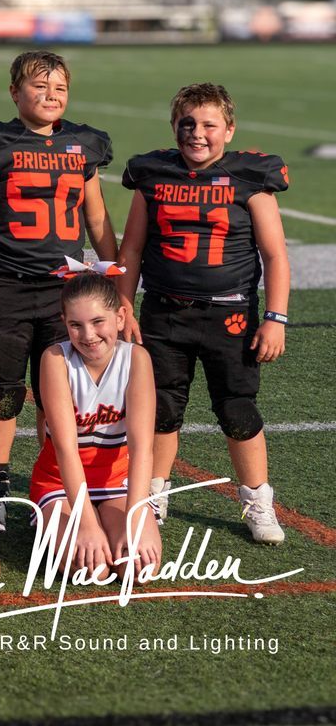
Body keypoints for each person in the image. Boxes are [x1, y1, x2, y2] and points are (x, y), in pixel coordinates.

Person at [116, 83, 291, 543]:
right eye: (187, 124)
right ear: (174, 127)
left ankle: (257, 500)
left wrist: (276, 317)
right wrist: (122, 305)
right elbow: (131, 248)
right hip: (164, 311)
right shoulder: (152, 173)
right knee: (161, 408)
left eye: (209, 125)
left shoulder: (251, 177)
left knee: (237, 409)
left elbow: (274, 255)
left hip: (230, 315)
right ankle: (154, 494)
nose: (197, 134)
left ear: (228, 130)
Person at [0, 51, 116, 528]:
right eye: (39, 87)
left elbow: (97, 218)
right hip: (6, 283)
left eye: (59, 89)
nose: (51, 97)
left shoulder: (82, 145)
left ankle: (50, 480)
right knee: (5, 389)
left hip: (64, 290)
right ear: (14, 91)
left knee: (59, 392)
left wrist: (111, 280)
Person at [30, 274, 161, 577]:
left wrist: (136, 518)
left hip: (117, 482)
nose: (88, 335)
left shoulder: (136, 358)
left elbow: (142, 449)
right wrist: (86, 523)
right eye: (75, 325)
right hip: (60, 485)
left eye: (98, 322)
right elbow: (65, 450)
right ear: (64, 322)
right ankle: (56, 523)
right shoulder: (55, 359)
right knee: (92, 569)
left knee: (141, 568)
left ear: (120, 317)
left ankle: (109, 523)